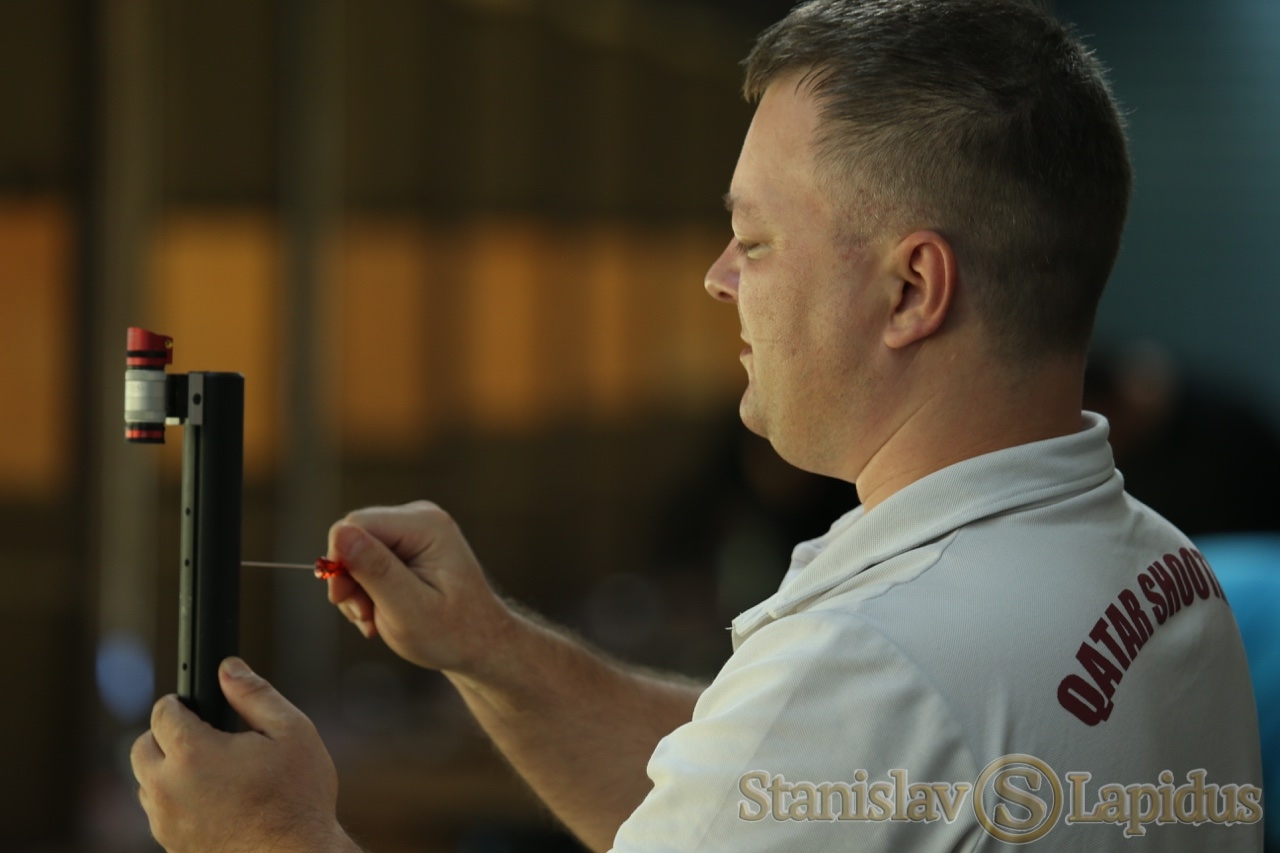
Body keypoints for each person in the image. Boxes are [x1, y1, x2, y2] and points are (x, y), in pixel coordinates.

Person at [130, 1, 1264, 850]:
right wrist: (490, 647)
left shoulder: (877, 666)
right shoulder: (1165, 575)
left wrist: (270, 838)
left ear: (911, 289)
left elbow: (814, 749)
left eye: (755, 240)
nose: (719, 278)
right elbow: (759, 793)